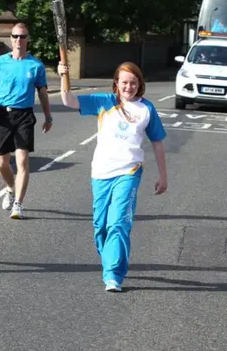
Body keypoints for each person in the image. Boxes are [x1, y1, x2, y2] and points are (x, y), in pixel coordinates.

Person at [57, 61, 168, 292]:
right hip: (101, 172)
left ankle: (114, 274)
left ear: (140, 84)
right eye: (125, 82)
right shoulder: (104, 102)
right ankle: (109, 257)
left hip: (129, 171)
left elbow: (157, 143)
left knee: (118, 223)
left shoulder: (146, 109)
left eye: (134, 82)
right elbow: (68, 100)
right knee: (100, 226)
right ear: (116, 84)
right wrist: (63, 76)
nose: (129, 87)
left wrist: (163, 176)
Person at [0, 22, 53, 219]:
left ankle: (18, 204)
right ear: (11, 39)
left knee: (23, 161)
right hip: (2, 115)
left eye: (23, 36)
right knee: (1, 163)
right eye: (15, 36)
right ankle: (10, 188)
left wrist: (48, 116)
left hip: (24, 115)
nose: (19, 40)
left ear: (28, 39)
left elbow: (42, 93)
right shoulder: (0, 63)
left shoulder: (36, 65)